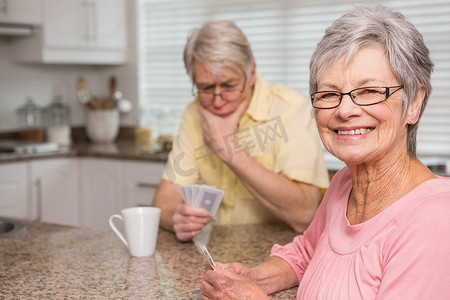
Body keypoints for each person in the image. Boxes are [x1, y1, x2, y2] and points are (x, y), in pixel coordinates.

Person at [201, 6, 450, 299]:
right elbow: (307, 253)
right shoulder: (344, 183)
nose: (345, 110)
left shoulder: (437, 219)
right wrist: (255, 277)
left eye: (369, 91)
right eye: (329, 94)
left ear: (414, 103)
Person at [152, 21, 330, 242]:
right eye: (206, 88)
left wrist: (229, 150)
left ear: (252, 72)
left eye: (228, 85)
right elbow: (164, 200)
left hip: (280, 254)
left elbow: (304, 214)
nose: (217, 99)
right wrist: (175, 218)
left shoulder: (291, 109)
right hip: (219, 250)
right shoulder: (194, 113)